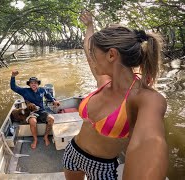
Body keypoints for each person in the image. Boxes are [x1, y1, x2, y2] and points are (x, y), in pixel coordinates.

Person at [62, 11, 168, 180]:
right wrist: (90, 26)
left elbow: (149, 142)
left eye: (93, 53)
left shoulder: (145, 99)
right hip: (73, 153)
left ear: (111, 55)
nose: (90, 58)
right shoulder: (103, 81)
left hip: (101, 166)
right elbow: (87, 49)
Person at [10, 70, 60, 149]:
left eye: (35, 83)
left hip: (41, 111)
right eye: (31, 83)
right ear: (29, 84)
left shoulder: (42, 90)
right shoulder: (25, 91)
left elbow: (48, 96)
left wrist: (54, 100)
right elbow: (13, 87)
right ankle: (35, 139)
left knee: (51, 119)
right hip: (31, 112)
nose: (33, 84)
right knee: (32, 121)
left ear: (38, 84)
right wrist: (13, 76)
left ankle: (46, 136)